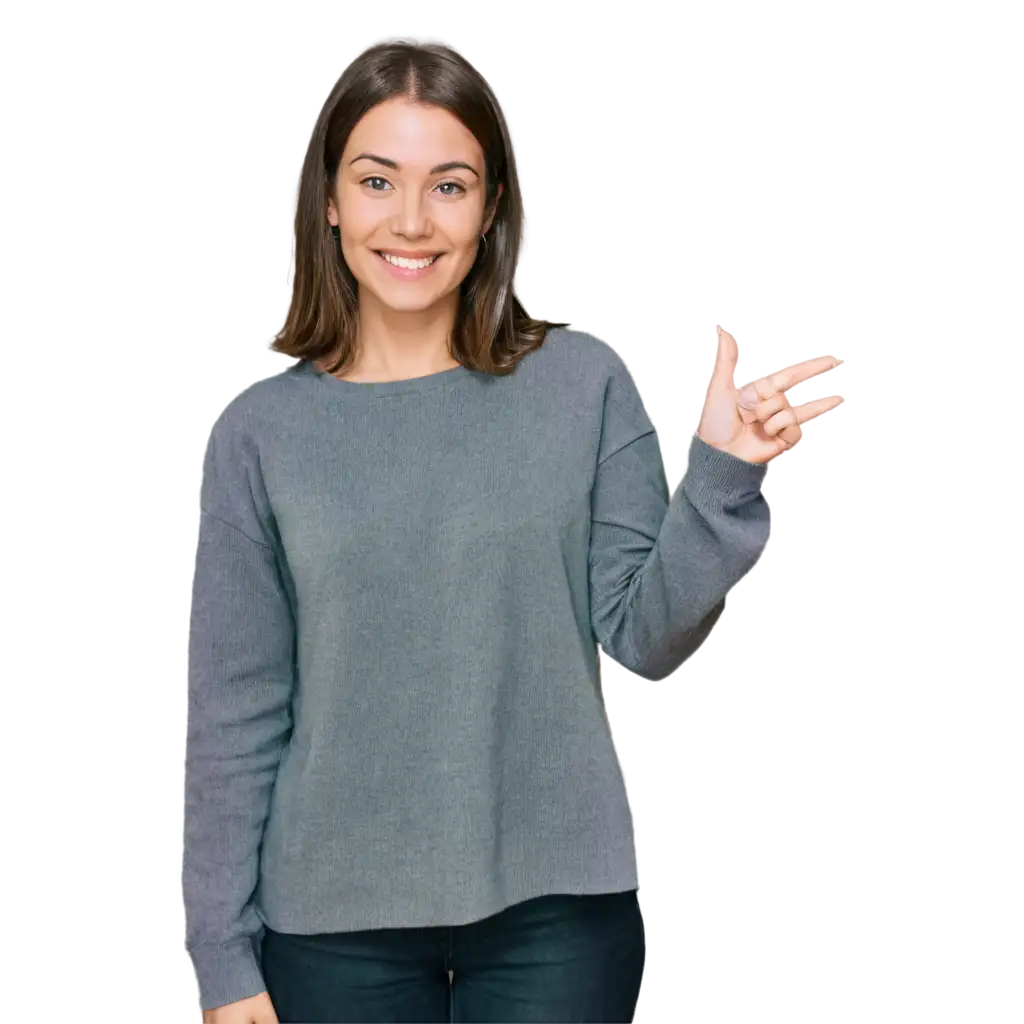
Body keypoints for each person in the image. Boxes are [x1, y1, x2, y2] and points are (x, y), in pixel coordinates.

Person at [180, 40, 841, 1024]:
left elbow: (640, 636)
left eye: (449, 185)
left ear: (488, 210)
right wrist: (224, 961)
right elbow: (232, 712)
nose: (411, 220)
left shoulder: (581, 388)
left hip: (555, 915)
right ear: (330, 201)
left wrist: (723, 473)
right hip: (329, 921)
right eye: (377, 181)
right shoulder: (257, 433)